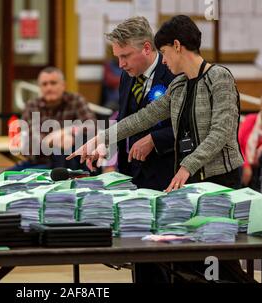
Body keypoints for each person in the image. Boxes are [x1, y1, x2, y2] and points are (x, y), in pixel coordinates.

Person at [69, 15, 252, 283]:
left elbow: (221, 133)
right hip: (191, 183)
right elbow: (142, 118)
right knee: (193, 266)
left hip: (218, 180)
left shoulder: (219, 77)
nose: (163, 60)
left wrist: (186, 166)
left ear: (177, 46)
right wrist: (101, 138)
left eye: (164, 52)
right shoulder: (179, 84)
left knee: (221, 265)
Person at [104, 17, 175, 190]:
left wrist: (154, 140)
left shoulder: (174, 72)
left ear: (146, 48)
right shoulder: (127, 75)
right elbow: (124, 120)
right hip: (131, 174)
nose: (121, 64)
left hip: (167, 174)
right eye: (118, 58)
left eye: (125, 56)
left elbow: (189, 126)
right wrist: (109, 157)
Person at [11, 67, 97, 171]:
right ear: (40, 88)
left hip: (72, 162)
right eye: (44, 84)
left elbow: (91, 126)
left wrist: (67, 132)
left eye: (53, 83)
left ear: (63, 85)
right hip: (40, 163)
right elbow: (30, 143)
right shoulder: (32, 106)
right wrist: (52, 140)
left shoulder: (75, 100)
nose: (49, 88)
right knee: (2, 178)